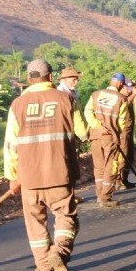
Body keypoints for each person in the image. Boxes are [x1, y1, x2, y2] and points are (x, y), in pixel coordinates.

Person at [4, 59, 88, 271]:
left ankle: (43, 267)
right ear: (51, 77)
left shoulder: (18, 105)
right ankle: (59, 251)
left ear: (29, 79)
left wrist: (13, 176)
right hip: (59, 173)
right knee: (66, 216)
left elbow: (11, 145)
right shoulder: (66, 99)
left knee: (35, 223)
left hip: (29, 177)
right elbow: (83, 131)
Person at [83, 72, 128, 207]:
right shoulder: (122, 98)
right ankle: (106, 197)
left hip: (95, 136)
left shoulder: (96, 94)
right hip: (110, 137)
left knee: (99, 166)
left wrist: (97, 126)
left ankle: (99, 195)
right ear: (120, 84)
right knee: (111, 165)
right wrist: (117, 135)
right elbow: (122, 122)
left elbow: (87, 111)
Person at [56, 66, 88, 204]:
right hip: (66, 134)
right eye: (73, 78)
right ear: (64, 79)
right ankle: (66, 196)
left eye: (76, 78)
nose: (76, 81)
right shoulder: (61, 94)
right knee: (66, 166)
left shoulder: (73, 92)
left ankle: (71, 194)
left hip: (74, 134)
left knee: (73, 165)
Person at [116, 79, 136, 190]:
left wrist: (135, 87)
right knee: (122, 156)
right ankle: (118, 180)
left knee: (130, 156)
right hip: (122, 132)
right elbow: (125, 105)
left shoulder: (128, 96)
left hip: (129, 132)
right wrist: (134, 94)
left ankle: (124, 179)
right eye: (129, 89)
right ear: (123, 87)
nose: (130, 91)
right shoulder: (120, 98)